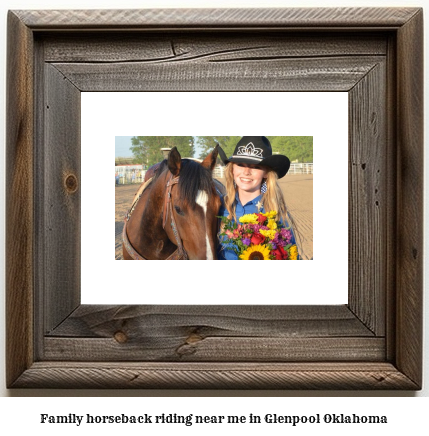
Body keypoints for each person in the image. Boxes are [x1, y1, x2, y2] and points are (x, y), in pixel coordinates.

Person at [217, 136, 300, 260]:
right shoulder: (217, 206)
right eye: (240, 164)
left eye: (255, 167)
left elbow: (291, 256)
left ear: (266, 173)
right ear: (232, 169)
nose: (246, 172)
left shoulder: (276, 213)